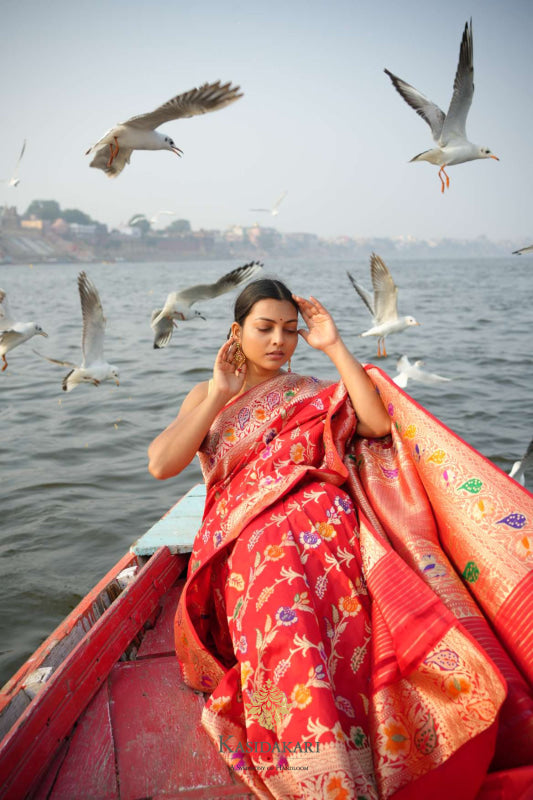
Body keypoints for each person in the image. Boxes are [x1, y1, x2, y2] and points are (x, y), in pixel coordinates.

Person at [148, 279, 533, 800]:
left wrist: (332, 345)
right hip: (247, 531)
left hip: (321, 517)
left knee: (333, 557)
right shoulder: (208, 396)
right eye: (264, 329)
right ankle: (315, 748)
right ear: (236, 332)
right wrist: (218, 391)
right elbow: (160, 465)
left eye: (290, 329)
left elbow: (375, 425)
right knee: (276, 562)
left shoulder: (312, 391)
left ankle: (369, 728)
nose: (279, 341)